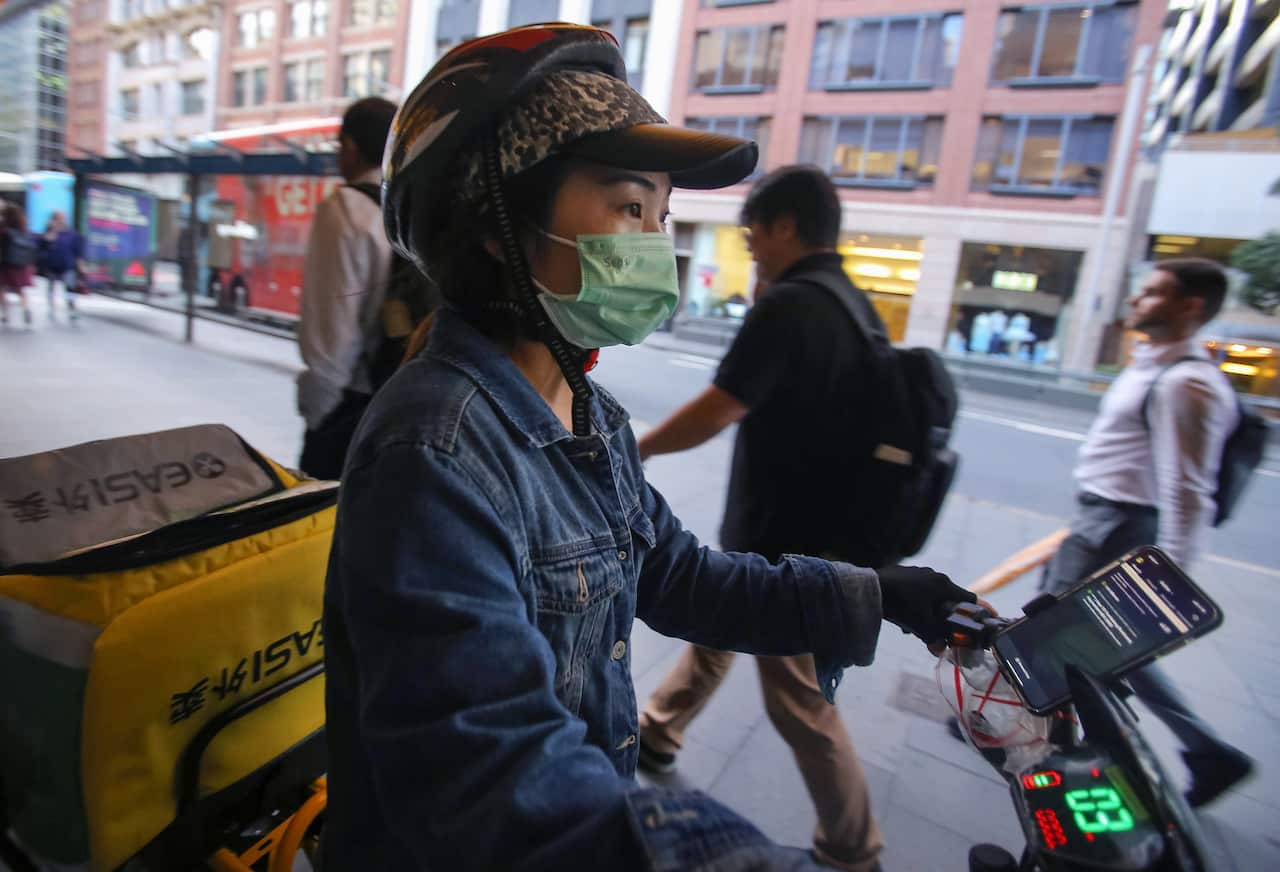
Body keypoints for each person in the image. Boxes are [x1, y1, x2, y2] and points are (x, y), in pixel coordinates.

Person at [320, 25, 974, 871]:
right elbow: (495, 773)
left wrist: (876, 595)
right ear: (495, 228)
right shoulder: (433, 456)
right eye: (630, 208)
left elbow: (673, 576)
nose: (652, 245)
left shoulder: (589, 412)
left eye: (661, 216)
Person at [633, 166, 890, 872]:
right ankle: (658, 730)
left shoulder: (792, 306)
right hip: (813, 528)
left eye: (752, 233)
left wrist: (638, 448)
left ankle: (853, 847)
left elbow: (721, 406)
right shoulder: (855, 306)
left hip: (787, 543)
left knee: (799, 703)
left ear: (784, 226)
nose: (750, 246)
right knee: (715, 634)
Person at [1041, 258, 1253, 807]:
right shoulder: (1151, 367)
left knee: (1061, 632)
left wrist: (1170, 575)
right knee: (1095, 645)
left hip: (1119, 526)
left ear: (1190, 307)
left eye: (1153, 293)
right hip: (1101, 518)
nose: (1136, 301)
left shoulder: (1188, 385)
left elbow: (1187, 490)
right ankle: (1205, 751)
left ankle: (1039, 736)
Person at [296, 96, 398, 479]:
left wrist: (317, 418)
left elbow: (331, 339)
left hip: (351, 410)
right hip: (406, 403)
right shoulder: (409, 206)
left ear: (351, 148)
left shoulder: (344, 211)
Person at [39, 211, 85, 320]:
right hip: (52, 265)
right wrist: (53, 230)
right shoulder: (50, 232)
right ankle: (51, 307)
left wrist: (80, 265)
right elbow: (44, 244)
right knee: (51, 288)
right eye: (58, 218)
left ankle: (71, 307)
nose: (60, 220)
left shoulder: (72, 234)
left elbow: (78, 251)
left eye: (62, 218)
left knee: (70, 288)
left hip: (67, 265)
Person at [0, 204, 38, 326]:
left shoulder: (4, 229)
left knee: (2, 289)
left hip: (6, 263)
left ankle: (6, 314)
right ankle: (26, 308)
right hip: (21, 264)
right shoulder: (23, 228)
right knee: (19, 290)